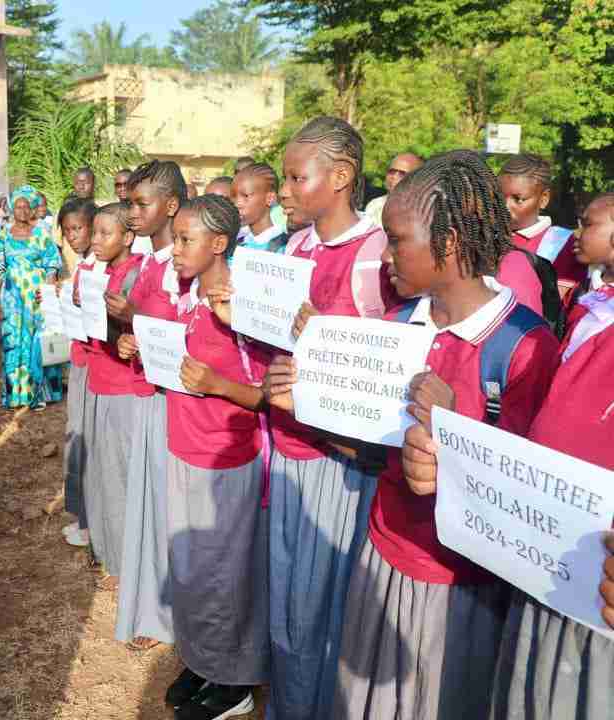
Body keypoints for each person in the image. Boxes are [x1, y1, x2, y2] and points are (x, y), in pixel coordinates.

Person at [331, 150, 560, 719]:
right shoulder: (396, 327)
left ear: (450, 242)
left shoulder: (523, 346)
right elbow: (364, 443)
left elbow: (527, 492)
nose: (385, 257)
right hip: (384, 548)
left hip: (461, 584)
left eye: (397, 240)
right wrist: (310, 391)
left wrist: (454, 432)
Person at [262, 116, 396, 720]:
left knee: (326, 598)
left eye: (296, 177)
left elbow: (389, 362)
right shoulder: (294, 247)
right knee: (288, 589)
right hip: (287, 448)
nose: (284, 190)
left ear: (341, 178)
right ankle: (289, 700)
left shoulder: (376, 256)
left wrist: (328, 339)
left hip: (340, 464)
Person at [488, 192, 614, 720]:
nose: (580, 232)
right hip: (549, 535)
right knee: (534, 674)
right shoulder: (592, 307)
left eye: (592, 223)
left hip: (600, 557)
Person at [160, 195, 270, 720]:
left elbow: (268, 394)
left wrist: (216, 384)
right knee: (193, 569)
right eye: (176, 238)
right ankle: (205, 661)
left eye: (186, 240)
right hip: (184, 447)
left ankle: (235, 681)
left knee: (226, 573)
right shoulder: (185, 295)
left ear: (219, 243)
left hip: (227, 459)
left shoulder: (242, 304)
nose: (176, 249)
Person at [110, 160, 188, 652]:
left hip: (173, 405)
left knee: (169, 508)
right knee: (149, 501)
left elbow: (189, 334)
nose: (133, 214)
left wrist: (137, 321)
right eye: (132, 203)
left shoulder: (182, 268)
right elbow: (143, 331)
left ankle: (170, 613)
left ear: (172, 207)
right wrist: (127, 337)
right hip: (145, 395)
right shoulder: (144, 264)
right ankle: (152, 606)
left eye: (142, 204)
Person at [82, 202, 142, 588]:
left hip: (123, 387)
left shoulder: (134, 274)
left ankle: (123, 564)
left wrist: (117, 319)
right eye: (96, 233)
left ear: (128, 237)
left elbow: (134, 329)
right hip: (99, 380)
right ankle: (107, 548)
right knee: (102, 472)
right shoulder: (100, 271)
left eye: (106, 234)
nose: (97, 240)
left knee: (120, 477)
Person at [0, 186, 64, 409]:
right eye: (18, 206)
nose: (22, 210)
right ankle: (16, 394)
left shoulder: (42, 234)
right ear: (12, 208)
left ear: (32, 209)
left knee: (39, 343)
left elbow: (52, 265)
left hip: (38, 297)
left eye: (26, 206)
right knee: (13, 342)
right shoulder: (2, 235)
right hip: (12, 299)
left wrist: (49, 295)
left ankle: (40, 393)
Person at [56, 198, 97, 549]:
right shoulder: (84, 266)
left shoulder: (99, 268)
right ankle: (83, 516)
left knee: (87, 441)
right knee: (78, 437)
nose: (71, 236)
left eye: (77, 228)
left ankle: (91, 521)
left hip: (93, 364)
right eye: (67, 230)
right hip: (80, 359)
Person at [498, 153, 583, 299]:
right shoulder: (482, 236)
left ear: (544, 199)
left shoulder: (563, 244)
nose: (505, 207)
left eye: (518, 199)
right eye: (498, 196)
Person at [232, 163, 288, 253]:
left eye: (246, 196)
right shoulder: (235, 245)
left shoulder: (285, 247)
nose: (237, 204)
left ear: (269, 198)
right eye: (234, 197)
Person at [363, 152, 423, 226]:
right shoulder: (375, 206)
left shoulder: (425, 210)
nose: (394, 177)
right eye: (391, 172)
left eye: (402, 174)